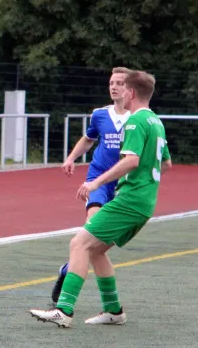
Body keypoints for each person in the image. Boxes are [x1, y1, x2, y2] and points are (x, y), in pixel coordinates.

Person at [29, 70, 172, 328]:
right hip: (143, 201)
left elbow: (131, 160)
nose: (118, 90)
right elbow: (167, 163)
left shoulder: (135, 121)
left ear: (132, 92)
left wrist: (96, 181)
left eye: (123, 86)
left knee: (80, 243)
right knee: (95, 250)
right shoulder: (156, 121)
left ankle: (64, 310)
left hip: (130, 199)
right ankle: (113, 311)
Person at [50, 67, 132, 304]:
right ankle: (72, 290)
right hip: (97, 181)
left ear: (130, 89)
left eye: (119, 83)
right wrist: (70, 158)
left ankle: (67, 270)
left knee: (98, 243)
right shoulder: (99, 115)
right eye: (111, 82)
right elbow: (88, 139)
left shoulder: (138, 118)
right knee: (92, 229)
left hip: (122, 185)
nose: (114, 87)